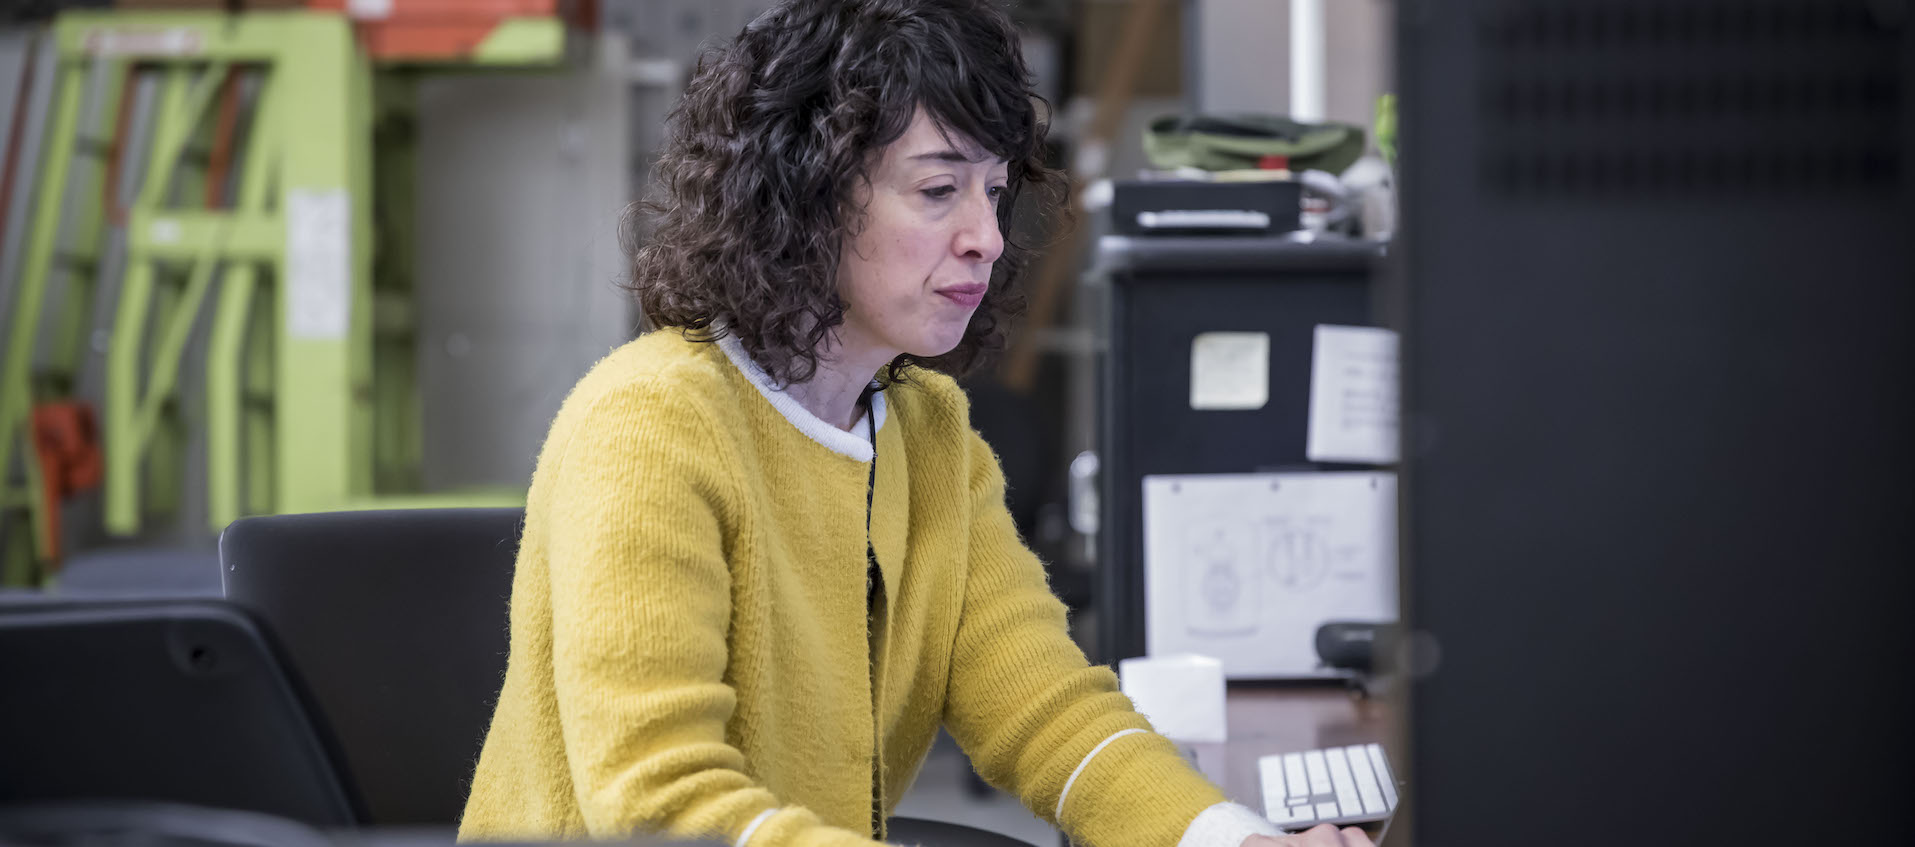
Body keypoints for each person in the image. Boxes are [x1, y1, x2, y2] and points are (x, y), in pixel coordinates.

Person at [457, 2, 1372, 846]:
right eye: (939, 191)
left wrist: (1231, 839)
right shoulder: (651, 425)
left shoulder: (927, 433)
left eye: (993, 190)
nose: (988, 235)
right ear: (806, 199)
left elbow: (1048, 711)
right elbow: (658, 807)